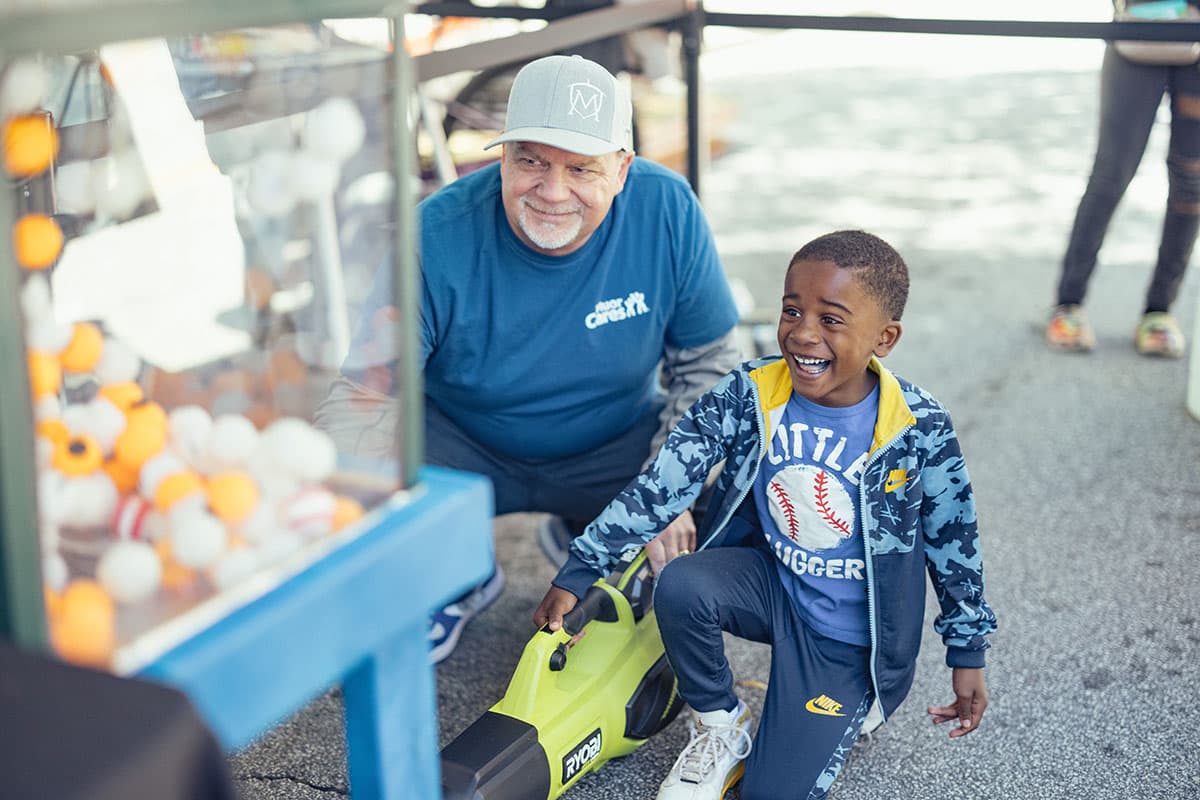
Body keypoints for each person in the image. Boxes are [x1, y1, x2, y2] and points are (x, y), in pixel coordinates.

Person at [535, 230, 998, 800]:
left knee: (770, 792)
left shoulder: (917, 426)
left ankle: (838, 708)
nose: (802, 333)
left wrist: (967, 651)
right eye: (792, 310)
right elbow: (665, 482)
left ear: (885, 337)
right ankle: (719, 723)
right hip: (774, 587)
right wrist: (580, 569)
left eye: (831, 319)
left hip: (848, 640)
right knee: (681, 581)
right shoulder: (750, 393)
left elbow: (954, 540)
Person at [314, 54, 741, 663]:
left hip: (614, 444)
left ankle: (592, 531)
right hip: (463, 447)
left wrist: (665, 491)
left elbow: (710, 365)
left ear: (622, 169)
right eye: (531, 160)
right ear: (503, 155)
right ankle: (458, 568)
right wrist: (365, 520)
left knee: (732, 487)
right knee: (363, 533)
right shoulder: (433, 233)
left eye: (581, 167)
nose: (553, 191)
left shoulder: (667, 207)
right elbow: (365, 397)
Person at [1047, 10, 1200, 357]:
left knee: (1191, 183)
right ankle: (1068, 304)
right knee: (1110, 176)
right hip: (1136, 34)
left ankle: (1159, 311)